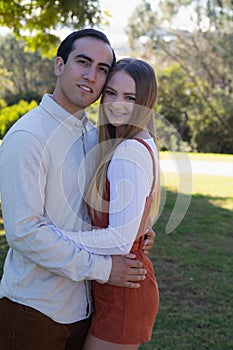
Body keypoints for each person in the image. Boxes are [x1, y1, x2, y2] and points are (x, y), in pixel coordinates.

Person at [0, 29, 155, 350]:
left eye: (102, 69)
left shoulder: (93, 133)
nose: (91, 75)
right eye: (83, 62)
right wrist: (105, 268)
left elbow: (104, 203)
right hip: (36, 308)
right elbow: (24, 233)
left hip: (84, 305)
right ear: (59, 65)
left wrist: (137, 227)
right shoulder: (28, 137)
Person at [54, 57, 161, 349]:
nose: (116, 104)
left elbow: (118, 240)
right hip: (115, 288)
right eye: (111, 93)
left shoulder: (128, 150)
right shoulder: (137, 140)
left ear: (145, 102)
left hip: (124, 294)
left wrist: (54, 239)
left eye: (130, 97)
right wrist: (141, 229)